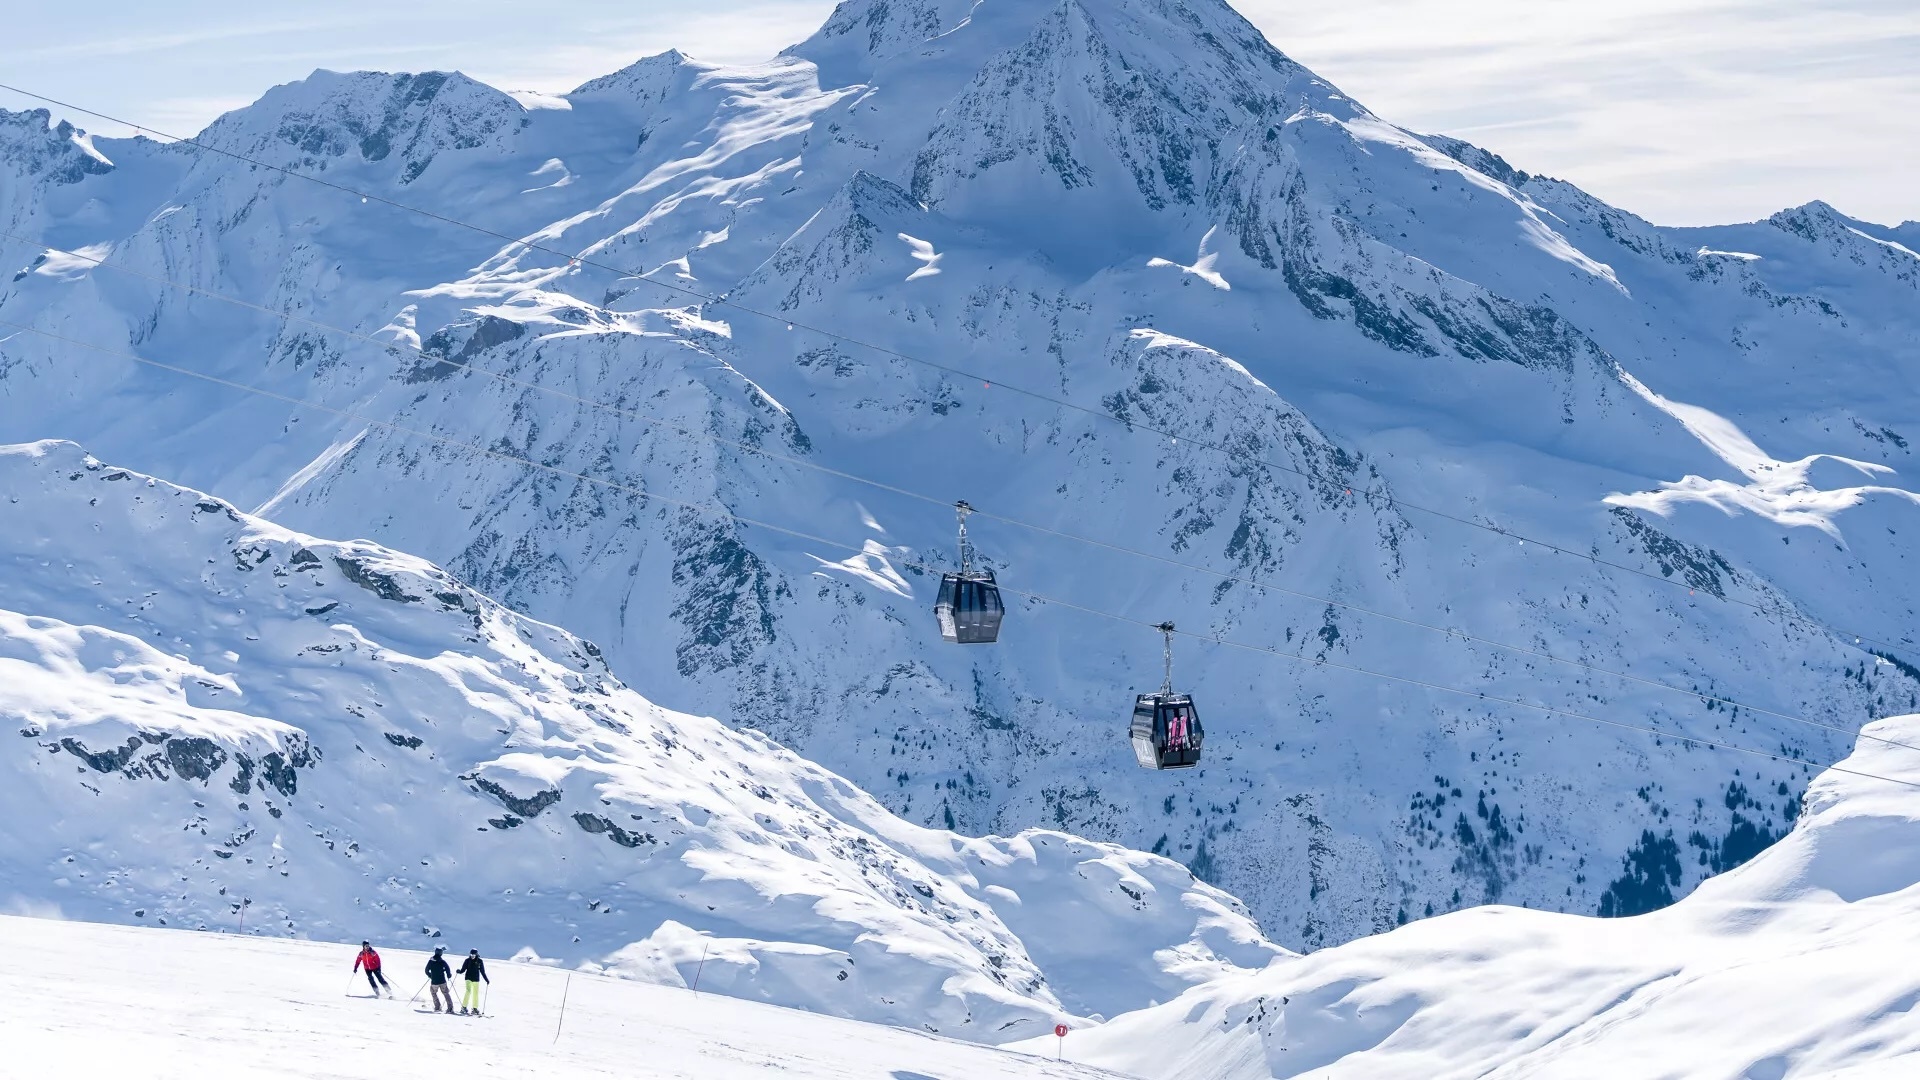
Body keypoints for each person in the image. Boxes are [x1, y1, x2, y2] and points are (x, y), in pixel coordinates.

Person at [457, 949, 489, 1015]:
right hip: (468, 978)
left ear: (476, 955)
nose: (472, 956)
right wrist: (459, 971)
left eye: (473, 955)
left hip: (476, 979)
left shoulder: (480, 961)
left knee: (475, 993)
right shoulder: (467, 960)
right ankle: (464, 1007)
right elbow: (463, 969)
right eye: (471, 954)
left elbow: (482, 971)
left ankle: (475, 1008)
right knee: (468, 991)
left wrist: (486, 979)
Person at [424, 947, 455, 1013]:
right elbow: (447, 968)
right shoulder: (442, 961)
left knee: (433, 993)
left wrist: (431, 976)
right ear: (441, 953)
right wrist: (449, 975)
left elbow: (426, 970)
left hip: (434, 981)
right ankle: (450, 1007)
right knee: (446, 993)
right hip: (442, 981)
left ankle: (437, 1007)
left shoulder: (431, 961)